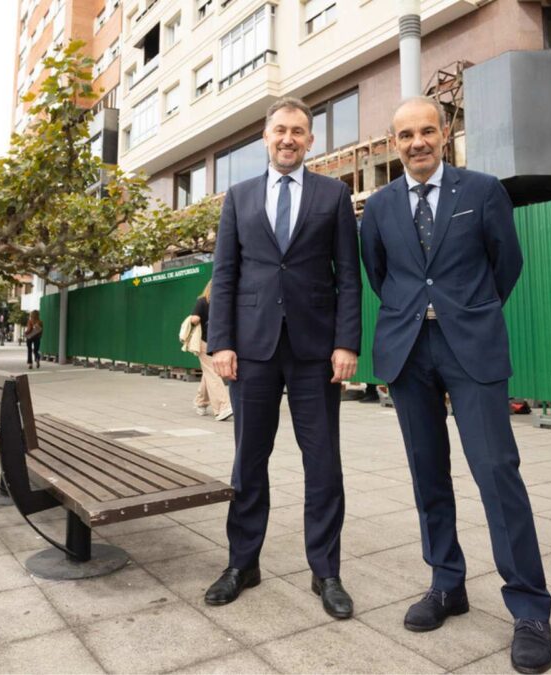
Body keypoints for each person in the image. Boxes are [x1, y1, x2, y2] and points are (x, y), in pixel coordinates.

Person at [359, 97, 551, 674]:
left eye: (426, 131)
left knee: (496, 471)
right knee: (428, 473)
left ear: (444, 134)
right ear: (393, 144)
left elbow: (506, 264)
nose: (417, 142)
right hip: (408, 349)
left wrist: (467, 311)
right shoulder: (379, 206)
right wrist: (415, 314)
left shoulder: (483, 191)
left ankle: (529, 608)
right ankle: (447, 583)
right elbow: (380, 274)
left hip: (471, 346)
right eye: (405, 135)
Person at [204, 98, 361, 619]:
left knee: (323, 464)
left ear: (310, 140)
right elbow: (225, 274)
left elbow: (348, 276)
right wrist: (221, 342)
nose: (288, 138)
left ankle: (326, 572)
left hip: (316, 351)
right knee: (248, 461)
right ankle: (242, 564)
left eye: (297, 131)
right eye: (279, 130)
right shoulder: (239, 197)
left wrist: (347, 343)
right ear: (265, 137)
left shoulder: (334, 195)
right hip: (252, 350)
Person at [190, 281, 233, 421]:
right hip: (213, 343)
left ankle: (200, 402)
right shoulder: (220, 302)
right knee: (213, 373)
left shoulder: (202, 301)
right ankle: (223, 407)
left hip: (208, 341)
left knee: (209, 373)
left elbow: (194, 319)